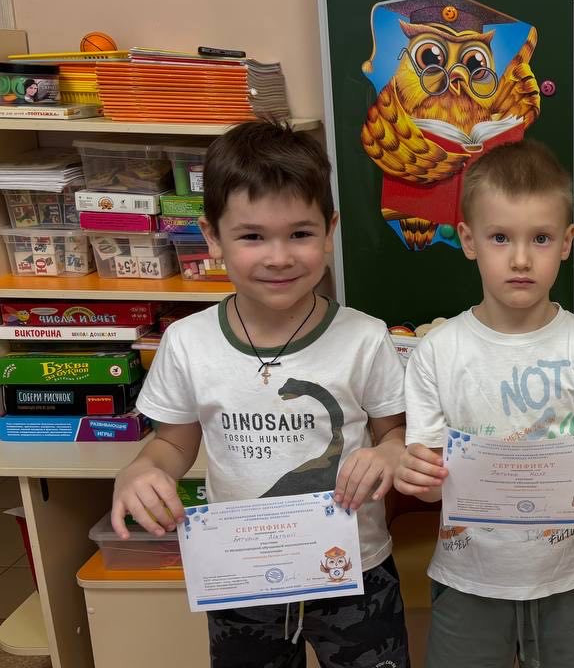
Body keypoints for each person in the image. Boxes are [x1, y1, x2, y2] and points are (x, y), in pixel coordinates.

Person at [111, 121, 411, 668]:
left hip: (353, 567)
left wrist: (390, 453)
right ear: (212, 237)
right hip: (242, 574)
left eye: (300, 234)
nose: (278, 257)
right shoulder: (187, 342)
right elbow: (172, 444)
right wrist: (140, 470)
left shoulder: (366, 338)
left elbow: (395, 432)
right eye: (252, 236)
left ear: (330, 230)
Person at [393, 139, 574, 668]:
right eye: (499, 237)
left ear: (567, 243)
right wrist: (415, 474)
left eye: (540, 238)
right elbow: (430, 478)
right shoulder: (436, 353)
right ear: (468, 240)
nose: (520, 258)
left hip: (567, 578)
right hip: (467, 578)